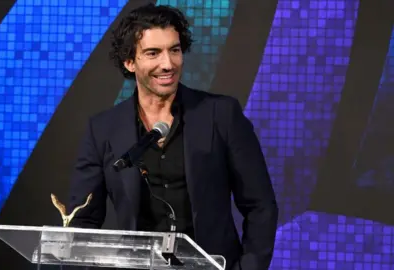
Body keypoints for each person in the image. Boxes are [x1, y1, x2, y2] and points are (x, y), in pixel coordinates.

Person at [68, 3, 278, 270]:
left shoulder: (221, 115)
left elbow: (261, 206)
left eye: (174, 50)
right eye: (153, 53)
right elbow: (82, 220)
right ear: (130, 62)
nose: (167, 64)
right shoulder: (103, 130)